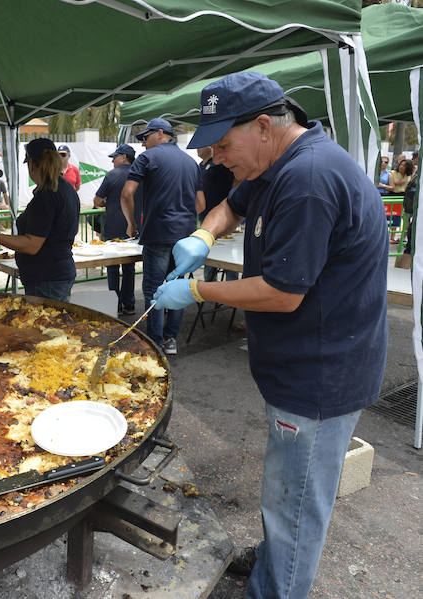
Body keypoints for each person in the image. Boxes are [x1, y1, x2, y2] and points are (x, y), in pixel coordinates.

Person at [152, 71, 387, 599]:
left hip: (320, 371)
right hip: (299, 363)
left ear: (263, 125)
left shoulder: (307, 180)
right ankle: (275, 557)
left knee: (297, 499)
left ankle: (277, 586)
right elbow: (233, 205)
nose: (217, 158)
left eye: (223, 145)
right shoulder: (278, 160)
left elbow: (283, 293)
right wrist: (202, 233)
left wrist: (198, 292)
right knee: (289, 486)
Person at [121, 117, 205, 355]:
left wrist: (131, 224)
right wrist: (182, 216)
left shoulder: (147, 158)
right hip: (185, 236)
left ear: (160, 133)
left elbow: (127, 193)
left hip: (158, 233)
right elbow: (201, 204)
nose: (143, 144)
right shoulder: (192, 163)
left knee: (154, 289)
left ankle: (155, 342)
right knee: (177, 287)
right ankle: (170, 340)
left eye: (145, 138)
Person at [0, 138, 79, 301]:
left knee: (44, 324)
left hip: (46, 277)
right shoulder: (66, 188)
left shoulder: (47, 195)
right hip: (58, 271)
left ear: (32, 164)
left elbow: (32, 245)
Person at [93, 143, 137, 316]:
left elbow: (97, 201)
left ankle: (115, 305)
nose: (112, 161)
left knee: (112, 267)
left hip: (112, 228)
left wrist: (109, 203)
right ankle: (129, 304)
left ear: (124, 157)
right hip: (133, 228)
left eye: (115, 157)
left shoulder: (112, 175)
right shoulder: (139, 174)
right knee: (129, 268)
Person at [197, 145, 239, 284]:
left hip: (224, 214)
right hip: (205, 214)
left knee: (227, 249)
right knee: (209, 248)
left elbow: (235, 180)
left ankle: (231, 283)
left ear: (210, 147)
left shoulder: (219, 164)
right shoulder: (199, 166)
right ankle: (209, 281)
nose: (198, 150)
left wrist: (232, 200)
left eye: (201, 147)